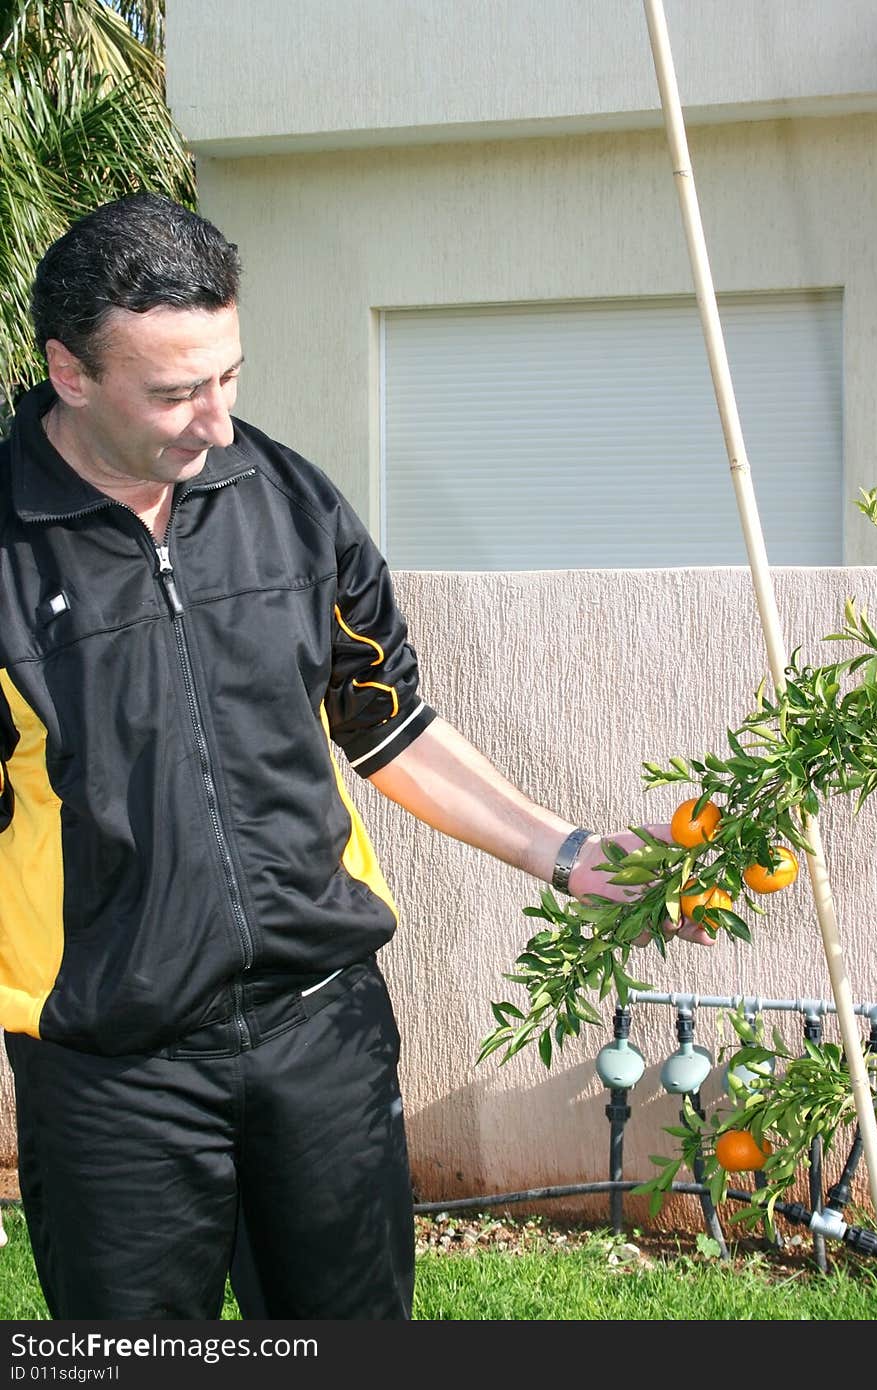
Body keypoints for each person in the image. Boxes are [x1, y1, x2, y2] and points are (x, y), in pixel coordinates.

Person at [0, 193, 711, 1321]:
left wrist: (567, 850)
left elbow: (386, 722)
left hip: (320, 1031)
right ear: (70, 373)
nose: (216, 421)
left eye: (228, 375)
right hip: (110, 1066)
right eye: (176, 391)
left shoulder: (283, 498)